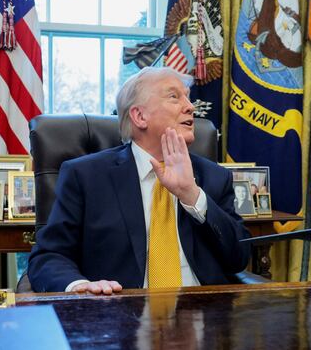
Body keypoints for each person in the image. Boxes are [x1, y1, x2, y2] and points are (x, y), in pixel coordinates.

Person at [28, 67, 251, 294]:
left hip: (203, 315)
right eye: (174, 97)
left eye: (188, 97)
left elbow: (238, 258)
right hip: (121, 315)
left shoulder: (214, 177)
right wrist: (80, 286)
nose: (190, 106)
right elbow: (48, 257)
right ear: (139, 116)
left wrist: (192, 195)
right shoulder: (86, 176)